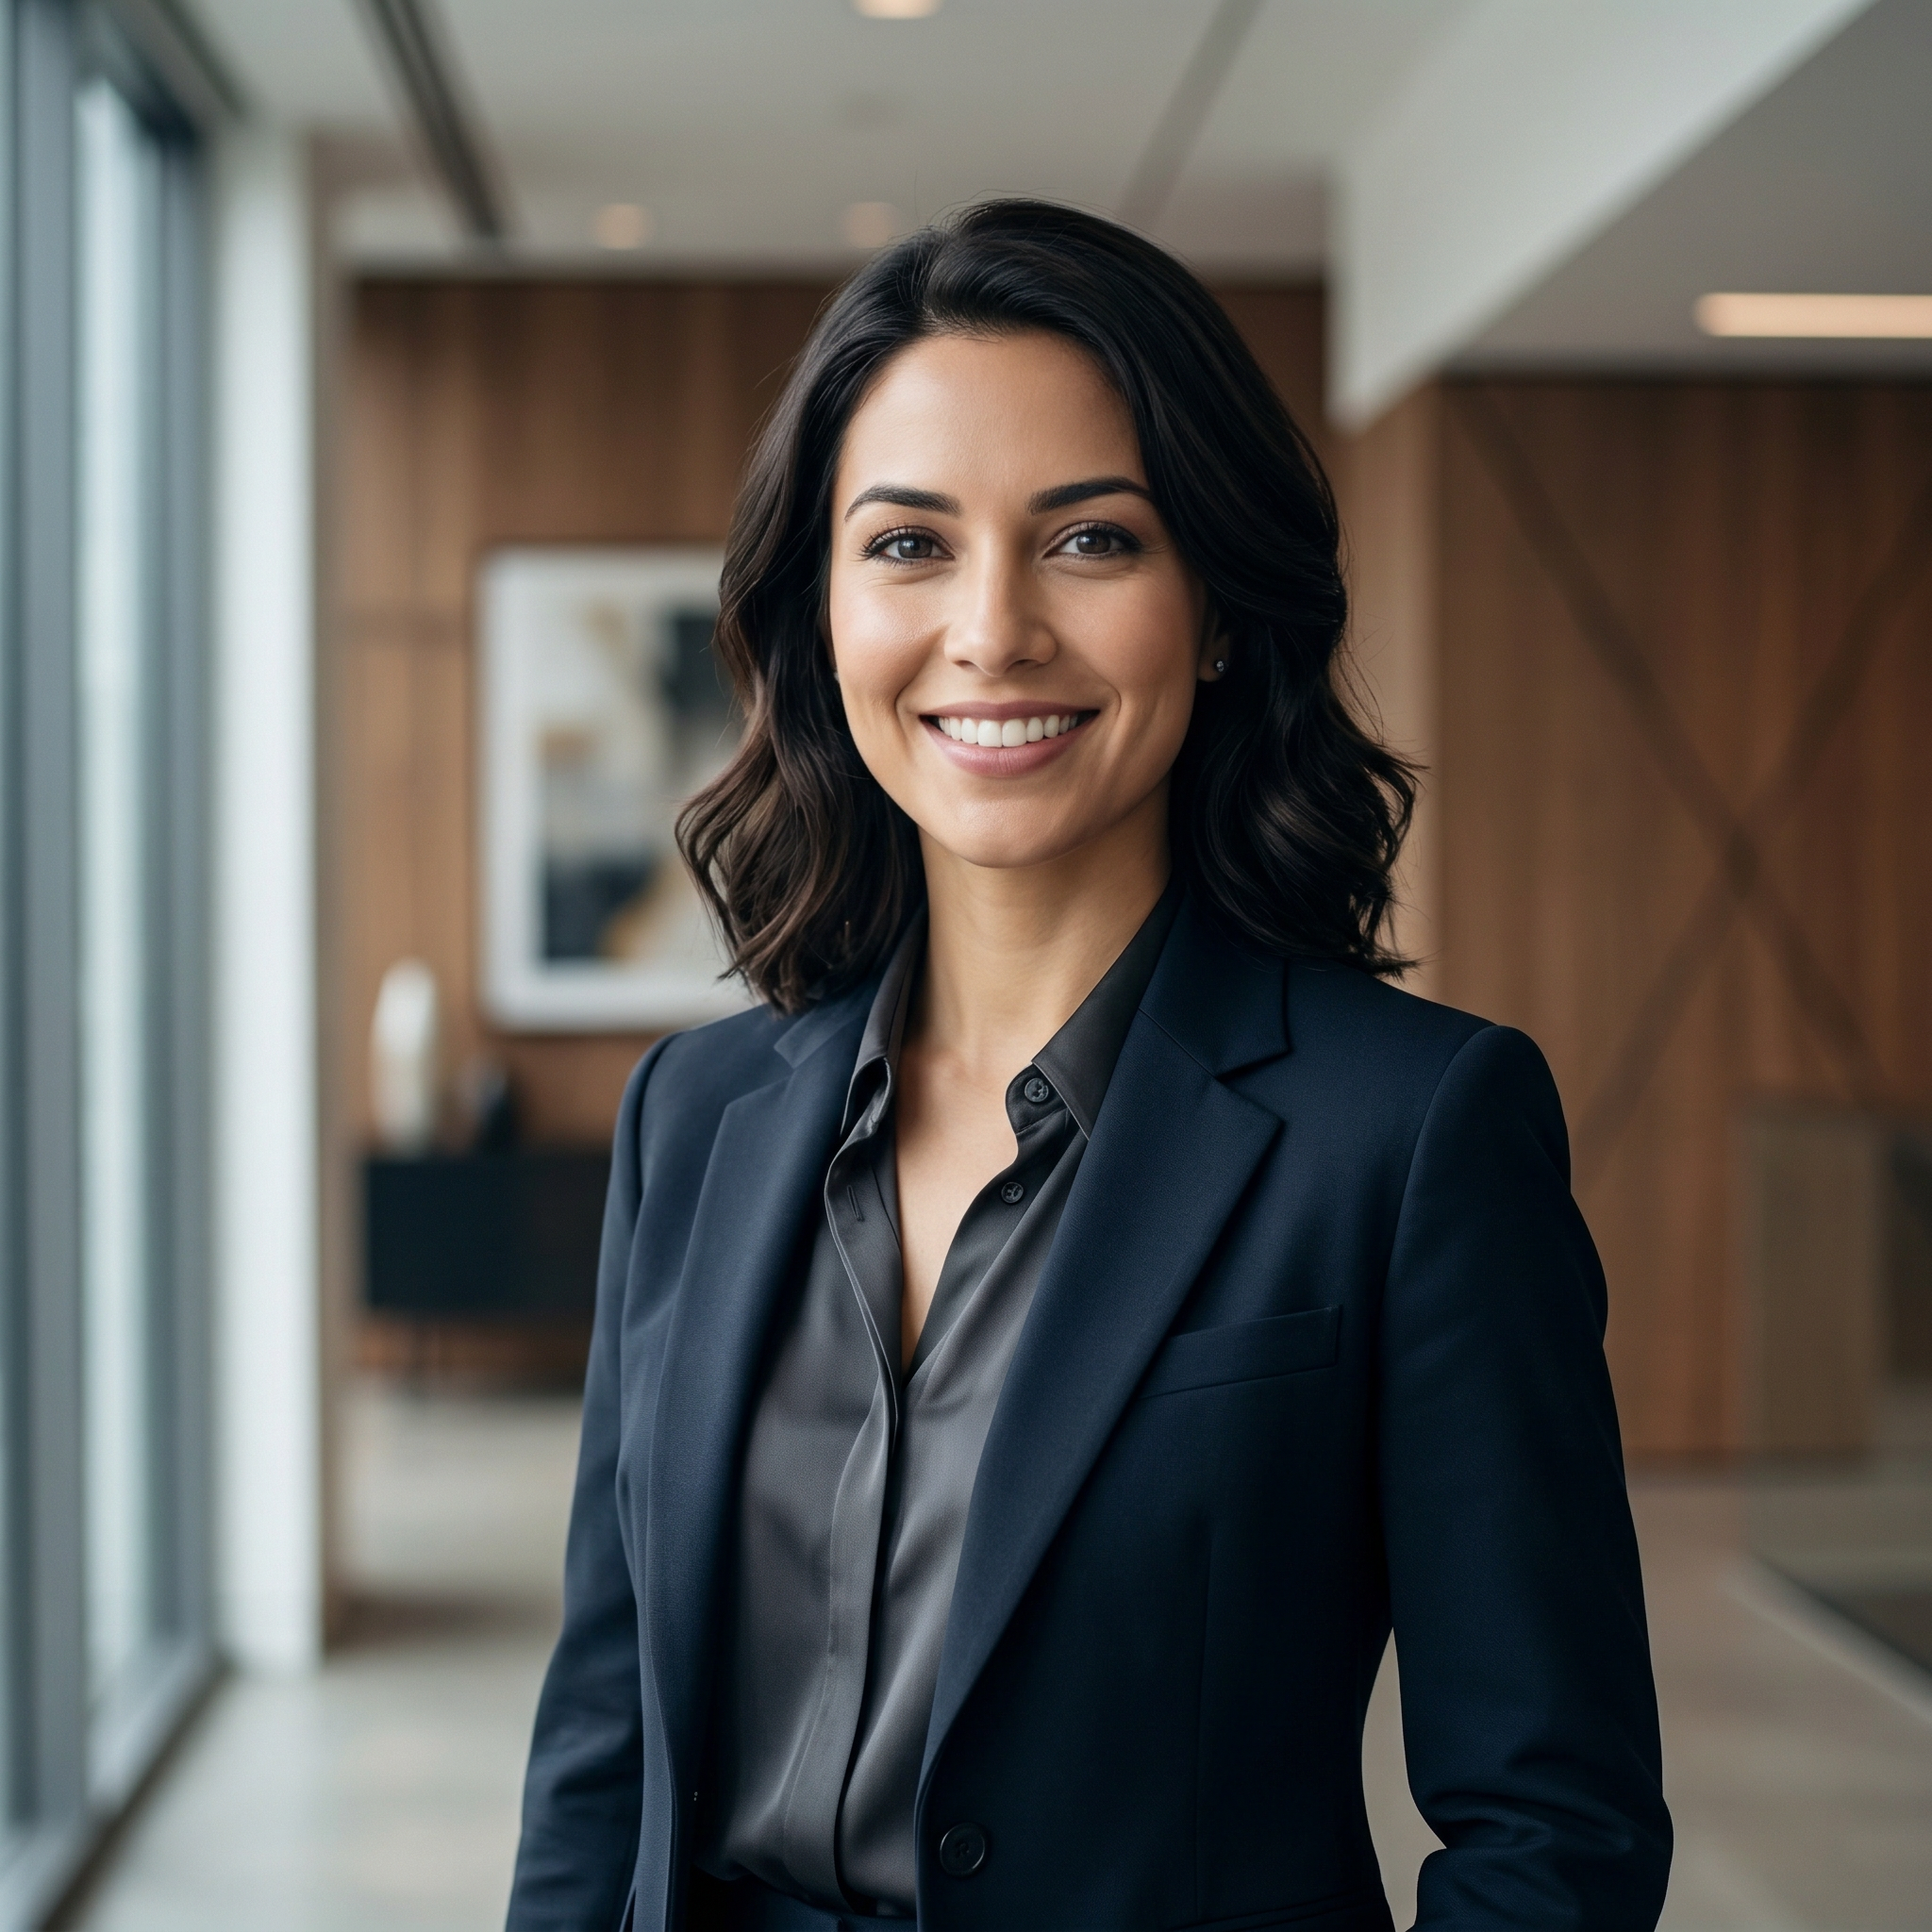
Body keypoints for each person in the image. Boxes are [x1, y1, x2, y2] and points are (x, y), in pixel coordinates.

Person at [506, 200, 1671, 1932]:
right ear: (821, 610)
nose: (992, 630)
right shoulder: (697, 1118)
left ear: (1213, 610)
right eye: (907, 545)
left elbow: (1552, 1827)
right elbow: (606, 1745)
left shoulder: (1410, 1136)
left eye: (1091, 541)